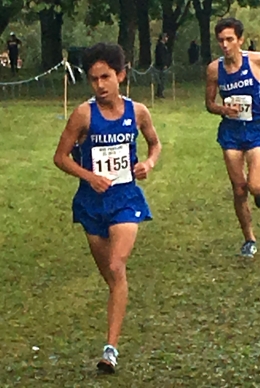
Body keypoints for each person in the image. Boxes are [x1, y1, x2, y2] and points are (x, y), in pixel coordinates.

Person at [53, 42, 162, 373]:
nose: (100, 85)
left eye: (106, 77)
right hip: (91, 203)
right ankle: (117, 315)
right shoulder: (83, 115)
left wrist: (149, 163)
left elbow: (155, 143)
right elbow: (60, 157)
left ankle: (109, 350)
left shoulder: (138, 111)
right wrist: (89, 175)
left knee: (116, 266)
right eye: (93, 78)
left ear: (121, 75)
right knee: (114, 279)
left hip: (125, 199)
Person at [205, 18, 260, 258]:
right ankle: (249, 239)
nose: (225, 45)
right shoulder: (214, 69)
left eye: (229, 39)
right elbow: (209, 104)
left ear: (240, 40)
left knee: (255, 186)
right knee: (239, 190)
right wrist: (223, 110)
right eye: (221, 40)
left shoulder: (256, 60)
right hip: (231, 133)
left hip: (256, 128)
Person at [154, 32, 169, 98]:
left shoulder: (163, 46)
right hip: (160, 65)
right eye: (166, 37)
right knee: (161, 79)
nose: (167, 38)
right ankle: (159, 93)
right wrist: (164, 64)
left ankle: (160, 92)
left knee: (162, 79)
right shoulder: (160, 46)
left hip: (162, 65)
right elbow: (161, 56)